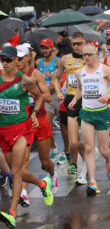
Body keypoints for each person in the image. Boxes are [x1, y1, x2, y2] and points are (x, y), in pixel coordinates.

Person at [0, 46, 53, 228]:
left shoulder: (25, 81)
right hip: (3, 131)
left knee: (15, 171)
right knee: (18, 173)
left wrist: (34, 113)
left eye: (8, 60)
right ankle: (42, 184)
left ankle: (12, 213)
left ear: (16, 60)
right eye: (2, 60)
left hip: (22, 129)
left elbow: (40, 97)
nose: (5, 64)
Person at [68, 43, 110, 196]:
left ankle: (108, 162)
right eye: (84, 55)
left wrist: (108, 96)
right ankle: (92, 182)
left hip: (101, 113)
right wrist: (74, 100)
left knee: (104, 150)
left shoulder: (105, 70)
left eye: (89, 55)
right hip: (86, 113)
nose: (86, 57)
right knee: (89, 148)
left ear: (96, 54)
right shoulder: (80, 72)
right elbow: (79, 89)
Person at [16, 44, 57, 206]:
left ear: (28, 57)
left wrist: (33, 92)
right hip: (22, 123)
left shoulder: (36, 74)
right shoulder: (12, 75)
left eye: (20, 58)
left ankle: (53, 176)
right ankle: (24, 194)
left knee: (45, 162)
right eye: (14, 59)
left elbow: (47, 97)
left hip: (40, 121)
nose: (17, 61)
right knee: (23, 162)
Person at [54, 32, 88, 185]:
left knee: (85, 136)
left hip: (87, 100)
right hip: (71, 100)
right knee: (73, 141)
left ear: (84, 43)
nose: (77, 46)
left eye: (79, 43)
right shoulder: (65, 60)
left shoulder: (89, 58)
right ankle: (81, 160)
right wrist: (58, 91)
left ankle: (86, 166)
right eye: (74, 44)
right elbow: (56, 76)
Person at [35, 38, 63, 163]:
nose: (44, 50)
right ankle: (55, 149)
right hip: (46, 99)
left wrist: (51, 76)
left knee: (64, 128)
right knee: (47, 125)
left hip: (58, 97)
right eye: (43, 48)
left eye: (47, 48)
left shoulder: (58, 62)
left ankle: (66, 151)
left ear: (52, 48)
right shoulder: (38, 62)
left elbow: (62, 78)